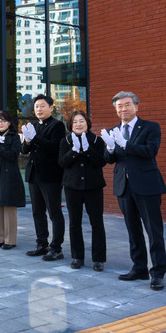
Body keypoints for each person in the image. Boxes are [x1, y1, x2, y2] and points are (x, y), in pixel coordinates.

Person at [102, 91, 166, 291]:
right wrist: (110, 148)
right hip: (124, 186)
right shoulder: (113, 130)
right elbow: (109, 159)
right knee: (133, 229)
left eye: (127, 104)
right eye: (119, 106)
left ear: (136, 106)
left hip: (147, 186)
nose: (123, 109)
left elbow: (150, 151)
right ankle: (139, 268)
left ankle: (157, 273)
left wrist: (125, 144)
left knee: (153, 231)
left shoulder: (150, 127)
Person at [58, 110, 107, 271]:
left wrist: (88, 150)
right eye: (75, 122)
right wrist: (74, 151)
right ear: (70, 125)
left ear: (87, 123)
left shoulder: (97, 140)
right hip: (72, 187)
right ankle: (77, 256)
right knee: (74, 223)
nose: (78, 124)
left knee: (97, 223)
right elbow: (62, 162)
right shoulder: (65, 141)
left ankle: (98, 259)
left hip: (93, 186)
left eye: (81, 121)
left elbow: (101, 162)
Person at [21, 94, 66, 262]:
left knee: (54, 212)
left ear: (51, 108)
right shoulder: (33, 125)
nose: (38, 109)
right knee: (37, 212)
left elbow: (55, 147)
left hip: (50, 175)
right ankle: (42, 244)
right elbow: (24, 151)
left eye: (42, 106)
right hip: (34, 174)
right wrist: (27, 141)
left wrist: (35, 138)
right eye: (36, 106)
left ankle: (56, 248)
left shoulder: (57, 125)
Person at [0, 110, 25, 250]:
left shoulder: (14, 137)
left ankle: (10, 240)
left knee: (9, 207)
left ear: (9, 122)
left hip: (9, 176)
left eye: (3, 121)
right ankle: (1, 238)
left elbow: (13, 155)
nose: (0, 124)